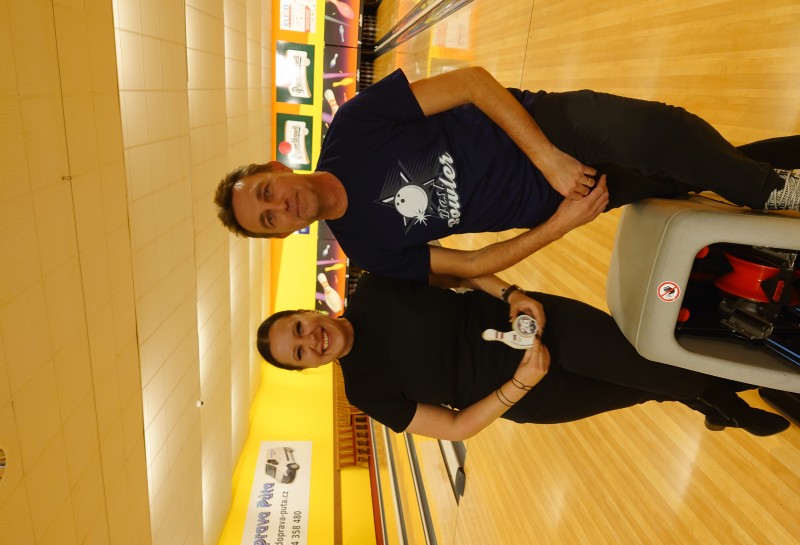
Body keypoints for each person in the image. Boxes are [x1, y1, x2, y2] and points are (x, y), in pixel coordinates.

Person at [215, 67, 800, 285]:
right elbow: (471, 266)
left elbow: (471, 83)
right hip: (560, 200)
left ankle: (770, 190)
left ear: (277, 167)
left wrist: (547, 156)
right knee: (681, 174)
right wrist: (563, 223)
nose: (280, 206)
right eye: (268, 220)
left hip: (550, 128)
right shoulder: (366, 249)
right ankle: (782, 168)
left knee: (661, 133)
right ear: (282, 234)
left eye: (267, 193)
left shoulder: (354, 125)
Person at [256, 273, 790, 440]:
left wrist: (512, 295)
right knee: (641, 388)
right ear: (308, 368)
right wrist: (520, 386)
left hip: (540, 326)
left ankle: (726, 398)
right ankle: (714, 398)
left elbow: (461, 269)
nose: (311, 340)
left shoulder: (377, 288)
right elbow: (455, 427)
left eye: (298, 328)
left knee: (654, 367)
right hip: (531, 397)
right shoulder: (365, 391)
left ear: (307, 310)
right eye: (300, 354)